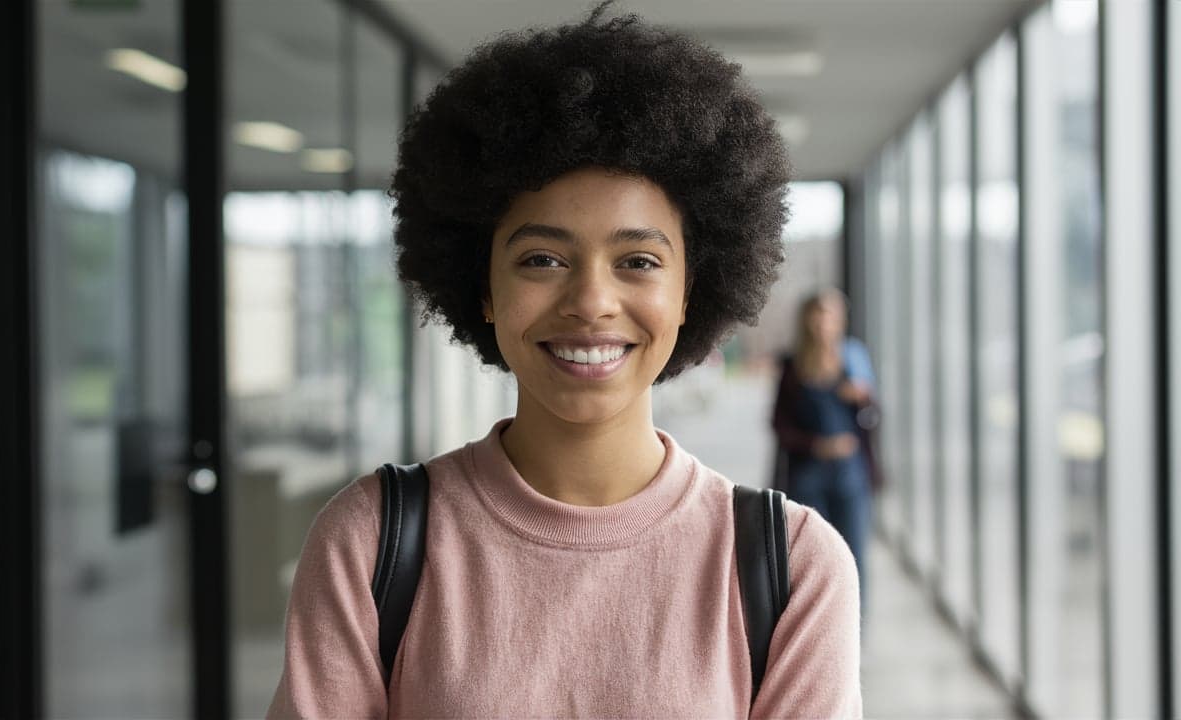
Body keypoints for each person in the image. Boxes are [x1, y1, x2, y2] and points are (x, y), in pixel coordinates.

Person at [268, 5, 861, 717]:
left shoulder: (792, 566)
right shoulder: (368, 543)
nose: (591, 301)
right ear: (484, 287)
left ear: (688, 294)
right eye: (542, 259)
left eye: (638, 261)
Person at [771, 289, 877, 609]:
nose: (823, 322)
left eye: (830, 314)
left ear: (840, 320)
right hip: (808, 476)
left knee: (854, 556)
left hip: (850, 476)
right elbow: (779, 425)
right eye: (817, 313)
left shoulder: (853, 361)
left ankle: (854, 640)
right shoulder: (792, 367)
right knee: (811, 559)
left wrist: (863, 400)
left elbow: (872, 419)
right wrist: (818, 446)